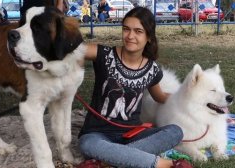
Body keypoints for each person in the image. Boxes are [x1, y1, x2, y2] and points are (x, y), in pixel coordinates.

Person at [77, 7, 193, 168]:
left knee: (175, 132)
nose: (130, 36)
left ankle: (110, 160)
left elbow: (160, 97)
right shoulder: (103, 54)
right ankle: (163, 164)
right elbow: (74, 50)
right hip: (97, 134)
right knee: (87, 144)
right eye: (126, 29)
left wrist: (189, 98)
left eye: (138, 31)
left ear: (149, 37)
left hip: (131, 134)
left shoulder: (152, 69)